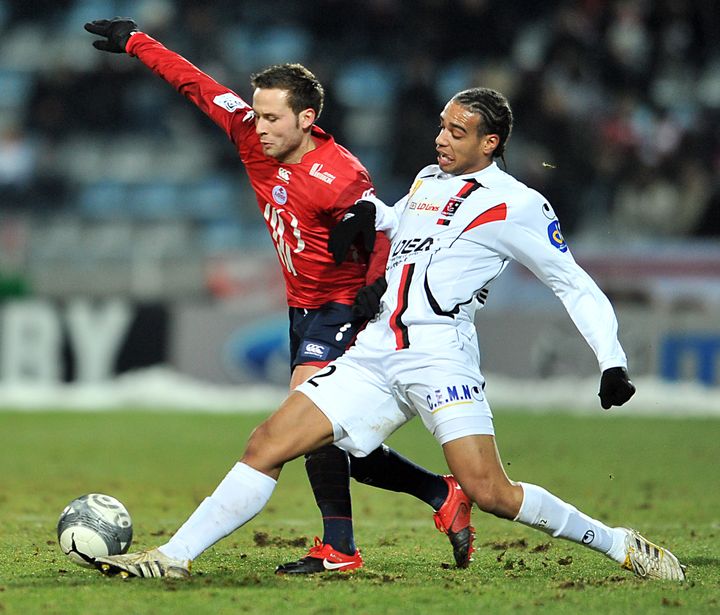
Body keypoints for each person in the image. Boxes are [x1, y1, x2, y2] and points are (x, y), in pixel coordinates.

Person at [91, 78, 686, 581]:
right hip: (373, 350)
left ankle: (618, 544)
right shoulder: (429, 179)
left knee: (491, 492)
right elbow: (399, 221)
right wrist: (367, 215)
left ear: (491, 142)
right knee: (267, 443)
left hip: (439, 357)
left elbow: (571, 282)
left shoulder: (519, 204)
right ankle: (171, 558)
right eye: (441, 126)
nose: (441, 138)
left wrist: (610, 358)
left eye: (457, 131)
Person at [84, 18, 475, 574]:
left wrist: (373, 289)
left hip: (343, 311)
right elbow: (195, 84)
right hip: (302, 308)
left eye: (271, 116)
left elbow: (386, 232)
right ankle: (440, 494)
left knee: (295, 428)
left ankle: (332, 547)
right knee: (343, 446)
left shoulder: (341, 177)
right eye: (256, 112)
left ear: (307, 118)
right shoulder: (250, 133)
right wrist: (137, 43)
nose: (258, 124)